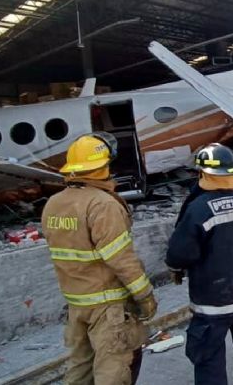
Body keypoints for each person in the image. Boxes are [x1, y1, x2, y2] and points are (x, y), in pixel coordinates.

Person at [41, 132, 157, 385]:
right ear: (104, 165)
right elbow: (121, 258)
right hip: (108, 307)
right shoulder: (102, 204)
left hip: (76, 304)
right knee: (112, 371)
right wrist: (145, 295)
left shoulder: (54, 204)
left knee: (79, 370)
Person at [166, 143, 233, 385]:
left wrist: (175, 268)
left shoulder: (198, 209)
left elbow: (179, 254)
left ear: (203, 174)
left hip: (213, 303)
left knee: (208, 357)